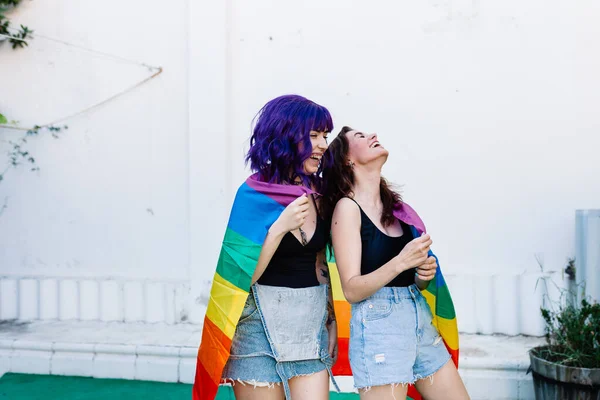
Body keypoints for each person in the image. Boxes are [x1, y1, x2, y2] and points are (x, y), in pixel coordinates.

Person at [193, 95, 338, 400]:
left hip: (308, 325)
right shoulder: (253, 194)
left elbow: (324, 263)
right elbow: (241, 277)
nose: (323, 144)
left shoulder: (323, 193)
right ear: (285, 136)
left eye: (325, 135)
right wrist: (279, 228)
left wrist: (332, 320)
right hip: (256, 327)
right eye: (313, 135)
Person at [322, 126, 469, 400]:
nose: (372, 135)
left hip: (418, 319)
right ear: (347, 160)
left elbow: (411, 279)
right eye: (360, 137)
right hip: (379, 326)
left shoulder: (398, 209)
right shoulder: (347, 209)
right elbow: (352, 290)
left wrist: (423, 274)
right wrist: (401, 261)